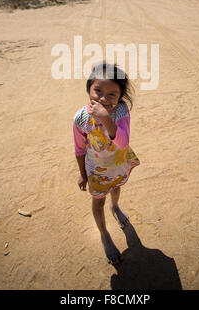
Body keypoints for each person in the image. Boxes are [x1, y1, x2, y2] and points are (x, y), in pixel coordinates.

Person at [73, 62, 140, 264]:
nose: (103, 98)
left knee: (117, 187)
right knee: (98, 200)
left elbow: (122, 143)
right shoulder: (81, 118)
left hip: (117, 163)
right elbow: (79, 149)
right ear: (88, 89)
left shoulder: (120, 112)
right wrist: (82, 173)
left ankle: (116, 206)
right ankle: (104, 235)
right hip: (96, 170)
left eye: (112, 94)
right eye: (98, 91)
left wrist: (106, 120)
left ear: (120, 97)